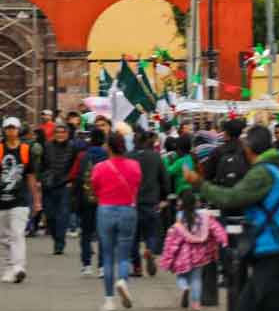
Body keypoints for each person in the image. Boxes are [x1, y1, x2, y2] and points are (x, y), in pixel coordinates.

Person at [185, 126, 279, 311]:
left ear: (249, 146)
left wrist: (199, 183)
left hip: (271, 247)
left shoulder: (263, 172)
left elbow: (231, 198)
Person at [90, 131, 141, 311]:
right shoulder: (135, 166)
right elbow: (136, 185)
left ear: (108, 146)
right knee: (124, 254)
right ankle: (123, 281)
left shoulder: (99, 167)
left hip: (105, 210)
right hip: (128, 209)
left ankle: (109, 300)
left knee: (108, 255)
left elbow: (95, 188)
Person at [0, 116, 38, 283]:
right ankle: (8, 267)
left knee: (17, 234)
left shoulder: (25, 149)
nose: (11, 130)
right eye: (8, 127)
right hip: (0, 199)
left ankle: (18, 267)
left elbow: (30, 176)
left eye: (13, 128)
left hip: (20, 198)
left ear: (18, 130)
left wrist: (36, 199)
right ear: (4, 130)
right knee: (4, 237)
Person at [160, 190, 227, 311]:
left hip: (183, 255)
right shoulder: (204, 217)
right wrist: (223, 240)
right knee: (196, 278)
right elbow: (217, 228)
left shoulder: (179, 218)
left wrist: (167, 258)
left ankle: (185, 288)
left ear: (181, 203)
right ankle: (196, 304)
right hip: (200, 253)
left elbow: (172, 240)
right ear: (196, 203)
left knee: (181, 276)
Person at [130, 130, 170, 277]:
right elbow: (164, 178)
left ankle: (137, 267)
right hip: (151, 200)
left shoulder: (129, 156)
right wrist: (164, 197)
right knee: (152, 231)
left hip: (132, 201)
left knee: (133, 235)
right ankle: (151, 250)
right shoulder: (155, 157)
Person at [73, 127, 107, 278]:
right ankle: (102, 266)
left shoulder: (83, 156)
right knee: (103, 234)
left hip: (86, 199)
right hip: (104, 200)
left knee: (86, 233)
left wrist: (76, 199)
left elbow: (78, 177)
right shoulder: (107, 156)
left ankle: (86, 264)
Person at [40, 121, 77, 256]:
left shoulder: (73, 147)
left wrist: (71, 181)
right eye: (58, 132)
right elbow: (42, 164)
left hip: (64, 184)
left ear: (67, 134)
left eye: (63, 132)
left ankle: (59, 243)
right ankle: (56, 237)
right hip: (49, 184)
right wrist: (42, 179)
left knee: (62, 215)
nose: (60, 135)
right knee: (50, 215)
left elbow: (75, 165)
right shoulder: (47, 146)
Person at [204, 118, 249, 188]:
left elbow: (208, 175)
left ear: (225, 133)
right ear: (240, 133)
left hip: (221, 191)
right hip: (242, 190)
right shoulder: (247, 150)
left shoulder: (217, 151)